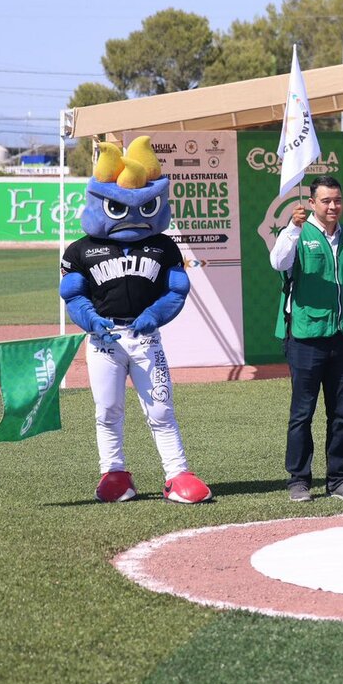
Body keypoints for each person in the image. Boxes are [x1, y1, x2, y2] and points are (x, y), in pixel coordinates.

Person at [59, 135, 211, 504]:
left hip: (146, 338)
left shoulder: (164, 245)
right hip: (104, 340)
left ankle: (177, 474)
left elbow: (177, 290)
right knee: (107, 410)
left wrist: (154, 315)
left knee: (160, 408)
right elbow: (73, 295)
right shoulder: (80, 249)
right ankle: (114, 473)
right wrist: (90, 319)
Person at [271, 174, 343, 502]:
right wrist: (292, 229)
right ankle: (298, 480)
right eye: (325, 201)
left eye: (337, 200)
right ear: (312, 203)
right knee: (302, 413)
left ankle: (339, 480)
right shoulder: (297, 233)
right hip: (306, 336)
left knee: (342, 414)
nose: (333, 206)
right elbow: (277, 262)